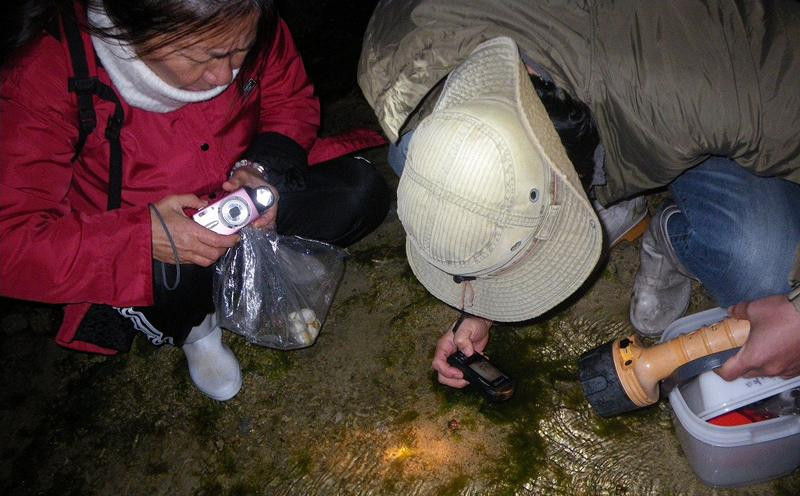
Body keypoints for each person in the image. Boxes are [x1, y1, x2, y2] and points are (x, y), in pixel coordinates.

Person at [356, 0, 800, 390]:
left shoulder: (734, 86)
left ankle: (666, 231)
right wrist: (479, 294)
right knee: (406, 151)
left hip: (693, 89)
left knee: (766, 278)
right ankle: (612, 195)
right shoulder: (394, 60)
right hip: (606, 91)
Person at [0, 0, 390, 401]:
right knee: (163, 276)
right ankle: (199, 333)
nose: (225, 74)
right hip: (149, 235)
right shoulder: (44, 73)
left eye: (241, 51)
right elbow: (9, 240)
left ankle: (257, 269)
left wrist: (263, 168)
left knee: (360, 192)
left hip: (238, 203)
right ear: (136, 28)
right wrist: (139, 236)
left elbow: (290, 100)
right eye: (206, 56)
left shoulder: (246, 13)